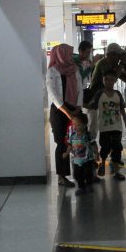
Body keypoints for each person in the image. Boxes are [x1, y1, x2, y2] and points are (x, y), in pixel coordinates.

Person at [46, 43, 82, 187]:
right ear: (61, 54)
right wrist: (69, 113)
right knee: (62, 143)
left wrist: (78, 108)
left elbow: (80, 88)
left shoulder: (74, 69)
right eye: (68, 53)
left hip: (74, 109)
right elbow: (53, 95)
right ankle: (62, 176)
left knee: (79, 140)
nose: (70, 56)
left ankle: (82, 172)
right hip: (59, 111)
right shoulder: (52, 71)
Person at [89, 70, 126, 181]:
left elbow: (122, 110)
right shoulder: (99, 94)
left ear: (115, 81)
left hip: (117, 127)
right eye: (106, 79)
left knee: (117, 150)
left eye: (111, 80)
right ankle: (102, 163)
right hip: (104, 128)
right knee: (104, 148)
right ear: (103, 81)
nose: (109, 82)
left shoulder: (118, 94)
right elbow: (92, 107)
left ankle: (116, 171)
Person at [63, 112, 99, 196]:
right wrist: (66, 153)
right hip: (77, 160)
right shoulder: (72, 135)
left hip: (88, 159)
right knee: (77, 175)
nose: (75, 127)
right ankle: (81, 187)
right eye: (74, 124)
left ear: (85, 125)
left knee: (88, 173)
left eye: (78, 125)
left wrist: (96, 154)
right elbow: (70, 145)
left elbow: (94, 144)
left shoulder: (87, 135)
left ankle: (89, 184)